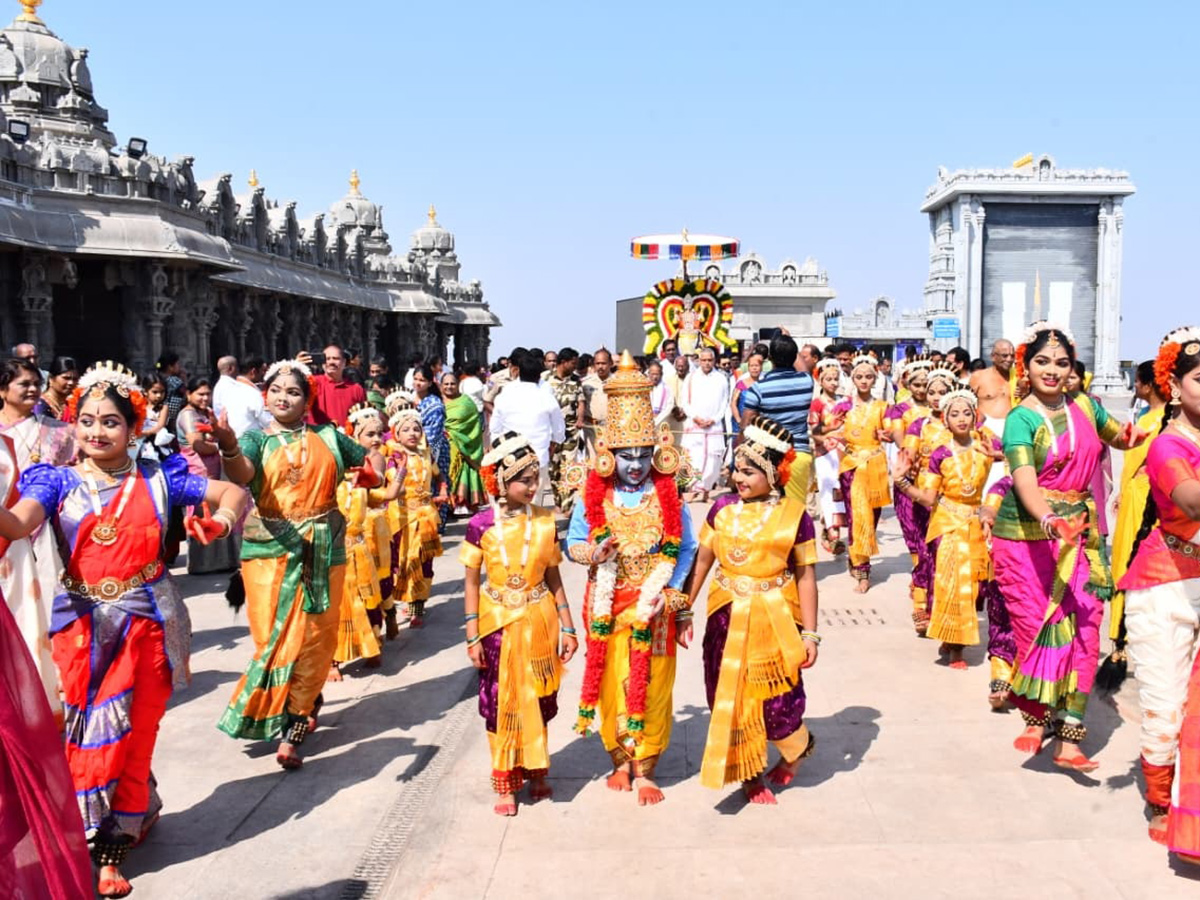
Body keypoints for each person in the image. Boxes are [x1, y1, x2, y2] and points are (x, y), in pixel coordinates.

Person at [0, 362, 246, 897]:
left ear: (134, 427)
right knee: (89, 734)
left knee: (137, 736)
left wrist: (220, 522)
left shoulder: (161, 479)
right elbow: (17, 524)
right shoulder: (56, 479)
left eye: (111, 421)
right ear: (72, 423)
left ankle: (115, 845)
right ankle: (82, 831)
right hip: (82, 627)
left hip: (150, 621)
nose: (96, 431)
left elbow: (232, 494)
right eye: (86, 420)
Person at [993, 322, 1146, 772]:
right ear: (1026, 365)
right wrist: (1049, 519)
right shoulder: (1021, 417)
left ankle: (1071, 734)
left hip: (1080, 533)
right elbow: (1023, 478)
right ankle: (1038, 717)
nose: (1053, 370)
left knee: (1085, 626)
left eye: (1061, 362)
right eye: (1042, 361)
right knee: (1041, 629)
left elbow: (1119, 435)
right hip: (1026, 539)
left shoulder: (1084, 405)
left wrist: (1141, 434)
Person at [218, 358, 375, 769]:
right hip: (268, 549)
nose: (283, 397)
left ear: (307, 401)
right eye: (276, 390)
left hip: (325, 546)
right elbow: (242, 473)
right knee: (271, 637)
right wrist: (228, 445)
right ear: (265, 397)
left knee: (317, 635)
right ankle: (277, 707)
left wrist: (371, 476)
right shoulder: (255, 439)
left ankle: (296, 720)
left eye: (293, 392)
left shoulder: (329, 436)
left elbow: (369, 460)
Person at [566, 351, 697, 806]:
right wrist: (593, 552)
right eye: (627, 456)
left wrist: (674, 596)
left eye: (644, 456)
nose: (637, 465)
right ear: (609, 456)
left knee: (654, 682)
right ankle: (619, 761)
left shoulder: (668, 496)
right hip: (606, 601)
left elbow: (687, 548)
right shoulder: (594, 496)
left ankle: (646, 767)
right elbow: (574, 542)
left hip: (653, 605)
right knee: (608, 681)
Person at [688, 417, 820, 804]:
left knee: (779, 702)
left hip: (776, 618)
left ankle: (797, 748)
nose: (737, 476)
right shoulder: (722, 508)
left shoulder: (796, 516)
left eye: (748, 471)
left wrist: (810, 634)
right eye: (735, 468)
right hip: (726, 616)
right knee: (727, 697)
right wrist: (683, 608)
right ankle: (749, 774)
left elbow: (806, 576)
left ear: (774, 475)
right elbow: (702, 561)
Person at [461, 433, 579, 816]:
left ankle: (536, 768)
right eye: (523, 480)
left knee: (539, 698)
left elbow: (553, 577)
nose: (532, 486)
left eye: (535, 478)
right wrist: (471, 633)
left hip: (539, 619)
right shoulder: (481, 525)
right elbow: (470, 583)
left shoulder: (545, 523)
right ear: (500, 482)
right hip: (497, 625)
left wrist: (568, 625)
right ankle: (505, 780)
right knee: (501, 701)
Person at [1119, 326, 1200, 863]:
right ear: (1174, 387)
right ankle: (1159, 800)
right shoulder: (1167, 443)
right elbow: (1190, 501)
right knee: (1166, 709)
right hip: (1165, 587)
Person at [895, 389, 996, 670]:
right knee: (954, 584)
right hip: (948, 522)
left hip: (976, 522)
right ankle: (956, 648)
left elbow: (1012, 453)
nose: (962, 418)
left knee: (976, 588)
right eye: (954, 414)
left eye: (967, 412)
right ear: (945, 419)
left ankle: (951, 635)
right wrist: (902, 482)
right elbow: (928, 498)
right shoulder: (940, 453)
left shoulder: (985, 443)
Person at [0, 358, 76, 716]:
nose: (32, 389)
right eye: (22, 384)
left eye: (35, 383)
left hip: (43, 534)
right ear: (3, 390)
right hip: (5, 539)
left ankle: (48, 692)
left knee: (43, 608)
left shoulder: (58, 433)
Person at [1104, 360, 1170, 674]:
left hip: (1144, 501)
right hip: (1137, 495)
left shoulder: (1158, 420)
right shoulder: (1154, 417)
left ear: (1145, 385)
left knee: (1128, 563)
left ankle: (1122, 638)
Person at [331, 404, 399, 677]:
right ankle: (333, 660)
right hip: (335, 553)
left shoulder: (364, 484)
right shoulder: (331, 483)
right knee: (339, 604)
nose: (375, 440)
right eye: (368, 434)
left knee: (370, 598)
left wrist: (402, 471)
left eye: (379, 434)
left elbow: (388, 493)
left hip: (364, 545)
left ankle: (373, 645)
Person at [823, 353, 891, 593]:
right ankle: (863, 572)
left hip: (877, 466)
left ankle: (857, 555)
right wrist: (836, 438)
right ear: (852, 379)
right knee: (858, 518)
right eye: (859, 377)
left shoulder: (883, 407)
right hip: (852, 468)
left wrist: (887, 435)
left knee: (871, 519)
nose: (864, 381)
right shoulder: (844, 406)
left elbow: (892, 431)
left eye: (868, 377)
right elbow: (826, 430)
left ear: (875, 379)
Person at [901, 365, 957, 632]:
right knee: (925, 553)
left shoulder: (962, 424)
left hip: (953, 499)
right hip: (923, 497)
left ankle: (945, 610)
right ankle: (921, 607)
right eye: (931, 392)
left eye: (942, 392)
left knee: (947, 557)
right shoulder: (919, 424)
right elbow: (908, 453)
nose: (935, 397)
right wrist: (906, 466)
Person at [388, 399, 446, 627]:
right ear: (396, 434)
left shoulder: (426, 453)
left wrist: (442, 489)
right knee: (401, 561)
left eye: (416, 429)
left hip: (426, 516)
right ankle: (402, 603)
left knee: (424, 561)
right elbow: (393, 485)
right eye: (406, 430)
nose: (412, 433)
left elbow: (439, 475)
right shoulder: (392, 455)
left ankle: (418, 607)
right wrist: (401, 466)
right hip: (402, 518)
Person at [741, 335, 815, 504]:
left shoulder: (758, 389)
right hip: (798, 455)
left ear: (770, 359)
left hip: (766, 459)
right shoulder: (807, 381)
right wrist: (788, 339)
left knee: (767, 517)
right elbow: (803, 367)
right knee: (795, 515)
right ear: (794, 356)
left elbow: (745, 426)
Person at [177, 376, 240, 575]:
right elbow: (197, 444)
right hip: (198, 472)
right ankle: (202, 564)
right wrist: (218, 446)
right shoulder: (188, 415)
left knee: (217, 512)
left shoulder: (203, 413)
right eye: (200, 394)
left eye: (208, 394)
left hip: (212, 469)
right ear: (189, 394)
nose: (205, 398)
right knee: (201, 512)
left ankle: (223, 561)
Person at [491, 352, 565, 505]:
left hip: (509, 456)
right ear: (539, 375)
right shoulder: (546, 396)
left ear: (519, 372)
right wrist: (554, 444)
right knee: (533, 500)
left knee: (510, 499)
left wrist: (496, 449)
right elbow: (558, 429)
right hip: (538, 456)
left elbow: (495, 427)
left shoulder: (506, 394)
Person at [886, 356, 932, 575]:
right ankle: (919, 570)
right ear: (907, 384)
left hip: (934, 473)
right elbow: (897, 434)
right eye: (917, 385)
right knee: (910, 524)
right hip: (908, 470)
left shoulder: (940, 409)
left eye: (926, 385)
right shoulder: (900, 409)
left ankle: (928, 573)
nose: (922, 390)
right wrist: (909, 456)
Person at [681, 347, 731, 500]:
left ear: (714, 361)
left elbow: (724, 403)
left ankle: (706, 492)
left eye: (710, 360)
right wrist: (695, 417)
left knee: (713, 460)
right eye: (704, 360)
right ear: (699, 360)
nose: (707, 363)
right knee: (694, 458)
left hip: (713, 426)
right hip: (695, 425)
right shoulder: (691, 378)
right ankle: (693, 490)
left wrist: (714, 419)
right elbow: (685, 402)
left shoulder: (721, 379)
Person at [810, 358, 847, 554]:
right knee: (827, 492)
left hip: (843, 452)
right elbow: (814, 431)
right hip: (824, 453)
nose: (833, 382)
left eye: (836, 379)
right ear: (821, 381)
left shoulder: (844, 402)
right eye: (829, 379)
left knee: (839, 491)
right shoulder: (817, 404)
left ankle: (831, 528)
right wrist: (825, 438)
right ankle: (833, 535)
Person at [413, 363, 451, 532]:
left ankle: (436, 525)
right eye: (415, 379)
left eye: (422, 380)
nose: (417, 383)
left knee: (436, 485)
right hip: (413, 449)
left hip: (433, 451)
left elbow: (433, 434)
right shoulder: (409, 399)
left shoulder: (434, 405)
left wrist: (426, 453)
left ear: (430, 382)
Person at [441, 371, 486, 511]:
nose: (449, 386)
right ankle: (446, 504)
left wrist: (455, 435)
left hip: (463, 446)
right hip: (442, 445)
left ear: (458, 385)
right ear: (441, 385)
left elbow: (473, 424)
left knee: (463, 468)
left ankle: (462, 503)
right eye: (446, 384)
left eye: (452, 383)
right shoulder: (437, 401)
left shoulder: (466, 402)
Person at [546, 348, 583, 511]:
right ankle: (557, 500)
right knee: (553, 469)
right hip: (552, 433)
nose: (575, 366)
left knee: (568, 466)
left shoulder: (576, 380)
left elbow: (581, 402)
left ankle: (567, 506)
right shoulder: (545, 379)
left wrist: (580, 419)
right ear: (564, 362)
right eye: (573, 363)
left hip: (570, 432)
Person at [301, 344, 367, 427]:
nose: (331, 362)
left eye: (336, 358)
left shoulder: (356, 389)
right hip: (317, 437)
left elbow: (364, 420)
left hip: (346, 438)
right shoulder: (312, 383)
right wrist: (297, 366)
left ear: (344, 362)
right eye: (327, 359)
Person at [213, 355, 269, 438]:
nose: (264, 375)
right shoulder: (247, 391)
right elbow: (266, 420)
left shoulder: (222, 386)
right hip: (247, 439)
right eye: (262, 371)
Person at [579, 347, 613, 457]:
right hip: (591, 428)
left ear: (610, 364)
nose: (600, 367)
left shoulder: (617, 381)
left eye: (603, 363)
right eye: (597, 363)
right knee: (592, 463)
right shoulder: (586, 383)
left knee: (610, 461)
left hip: (611, 428)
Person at [32, 355, 79, 420]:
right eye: (66, 378)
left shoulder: (71, 404)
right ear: (51, 379)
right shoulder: (39, 405)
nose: (71, 383)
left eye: (75, 379)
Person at [155, 351, 187, 436]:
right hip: (172, 420)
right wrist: (184, 380)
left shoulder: (156, 378)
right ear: (170, 367)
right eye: (177, 364)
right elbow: (186, 396)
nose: (179, 367)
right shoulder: (175, 382)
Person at [731, 352, 764, 430]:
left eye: (757, 366)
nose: (754, 368)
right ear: (748, 367)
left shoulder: (764, 384)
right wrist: (739, 421)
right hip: (740, 424)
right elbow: (733, 403)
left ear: (761, 367)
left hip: (758, 425)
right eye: (752, 366)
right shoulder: (741, 383)